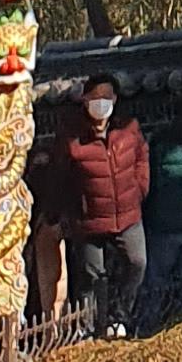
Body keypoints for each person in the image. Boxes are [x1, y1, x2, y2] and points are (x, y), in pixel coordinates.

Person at [61, 73, 150, 336]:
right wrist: (66, 212)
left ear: (115, 99)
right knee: (91, 276)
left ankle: (119, 316)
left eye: (106, 98)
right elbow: (61, 177)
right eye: (95, 98)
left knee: (137, 263)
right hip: (89, 219)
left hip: (127, 214)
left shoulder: (128, 130)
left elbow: (142, 157)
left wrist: (139, 188)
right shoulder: (73, 137)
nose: (100, 104)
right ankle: (89, 329)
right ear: (85, 100)